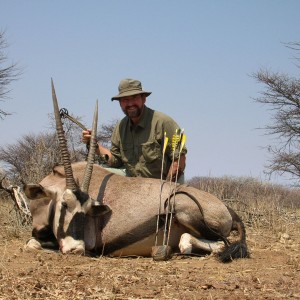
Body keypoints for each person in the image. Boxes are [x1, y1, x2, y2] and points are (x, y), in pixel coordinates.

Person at [82, 78, 187, 183]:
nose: (130, 103)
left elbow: (179, 159)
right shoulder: (120, 127)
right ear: (120, 103)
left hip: (164, 184)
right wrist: (94, 145)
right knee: (97, 173)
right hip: (135, 185)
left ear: (144, 99)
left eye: (134, 98)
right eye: (125, 100)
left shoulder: (164, 122)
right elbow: (115, 161)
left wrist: (166, 188)